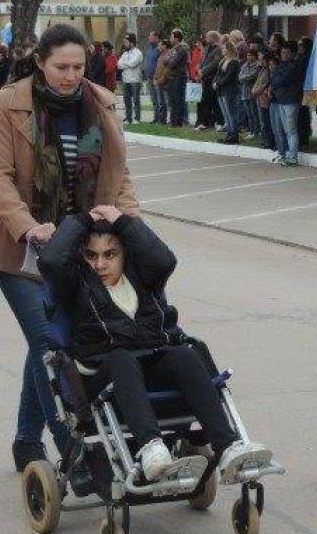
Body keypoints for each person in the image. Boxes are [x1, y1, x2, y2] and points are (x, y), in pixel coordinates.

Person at [0, 23, 139, 479]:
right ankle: (72, 447)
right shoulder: (12, 101)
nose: (70, 76)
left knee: (47, 344)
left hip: (82, 251)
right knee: (49, 342)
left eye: (78, 67)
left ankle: (26, 441)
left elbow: (119, 177)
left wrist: (131, 226)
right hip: (23, 253)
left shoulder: (101, 104)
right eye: (60, 66)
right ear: (40, 62)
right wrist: (28, 227)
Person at [38, 206, 273, 483]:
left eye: (110, 254)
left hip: (149, 362)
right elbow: (52, 261)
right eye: (92, 255)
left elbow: (164, 261)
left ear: (125, 253)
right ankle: (151, 449)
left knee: (183, 354)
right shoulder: (77, 283)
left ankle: (228, 447)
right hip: (104, 373)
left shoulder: (142, 277)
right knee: (122, 358)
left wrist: (123, 221)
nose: (100, 264)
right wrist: (83, 220)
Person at [269, 40, 303, 166]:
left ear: (293, 53)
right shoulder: (282, 65)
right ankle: (286, 154)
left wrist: (276, 80)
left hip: (290, 101)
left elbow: (282, 79)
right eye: (282, 52)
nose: (284, 55)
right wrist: (275, 80)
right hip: (281, 100)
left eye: (287, 53)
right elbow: (273, 78)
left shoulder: (295, 65)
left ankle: (293, 157)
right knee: (283, 130)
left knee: (291, 130)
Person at [213, 41, 241, 144]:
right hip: (221, 90)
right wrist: (215, 81)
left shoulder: (234, 62)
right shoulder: (224, 60)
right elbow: (218, 73)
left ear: (229, 49)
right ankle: (229, 133)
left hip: (229, 90)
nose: (222, 50)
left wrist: (218, 83)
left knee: (231, 113)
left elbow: (229, 77)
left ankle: (234, 135)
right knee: (225, 114)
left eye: (224, 48)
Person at [196, 31, 222, 131]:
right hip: (205, 79)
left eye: (207, 37)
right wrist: (199, 70)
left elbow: (215, 63)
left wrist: (203, 70)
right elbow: (203, 60)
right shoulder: (207, 48)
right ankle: (205, 122)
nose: (206, 39)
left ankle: (219, 122)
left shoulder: (218, 49)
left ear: (213, 38)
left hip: (213, 79)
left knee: (215, 102)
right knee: (205, 101)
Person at [165, 29, 191, 127]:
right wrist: (169, 60)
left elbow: (173, 63)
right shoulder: (174, 49)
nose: (170, 39)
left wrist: (169, 60)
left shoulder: (182, 49)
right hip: (172, 77)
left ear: (176, 38)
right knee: (172, 100)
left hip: (179, 77)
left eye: (171, 37)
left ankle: (178, 121)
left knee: (178, 99)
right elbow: (165, 60)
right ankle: (173, 120)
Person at [119, 33, 144, 124]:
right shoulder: (125, 53)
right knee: (127, 99)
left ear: (132, 43)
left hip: (135, 79)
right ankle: (128, 117)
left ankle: (137, 118)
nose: (125, 44)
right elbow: (118, 64)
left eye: (126, 42)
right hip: (125, 79)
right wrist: (126, 64)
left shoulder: (138, 53)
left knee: (136, 99)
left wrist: (125, 64)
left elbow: (133, 64)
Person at [238, 48, 262, 139]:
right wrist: (245, 78)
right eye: (248, 55)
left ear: (255, 56)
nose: (249, 57)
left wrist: (244, 78)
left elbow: (252, 76)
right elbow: (240, 77)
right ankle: (252, 131)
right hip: (244, 93)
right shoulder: (244, 66)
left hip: (252, 94)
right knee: (249, 114)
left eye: (251, 55)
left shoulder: (257, 66)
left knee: (254, 114)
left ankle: (256, 131)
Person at [144, 31, 166, 124]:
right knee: (153, 99)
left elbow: (160, 64)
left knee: (159, 99)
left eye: (151, 37)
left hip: (156, 77)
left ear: (156, 37)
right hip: (149, 77)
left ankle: (161, 118)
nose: (149, 38)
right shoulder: (149, 49)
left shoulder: (158, 49)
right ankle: (156, 116)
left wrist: (157, 76)